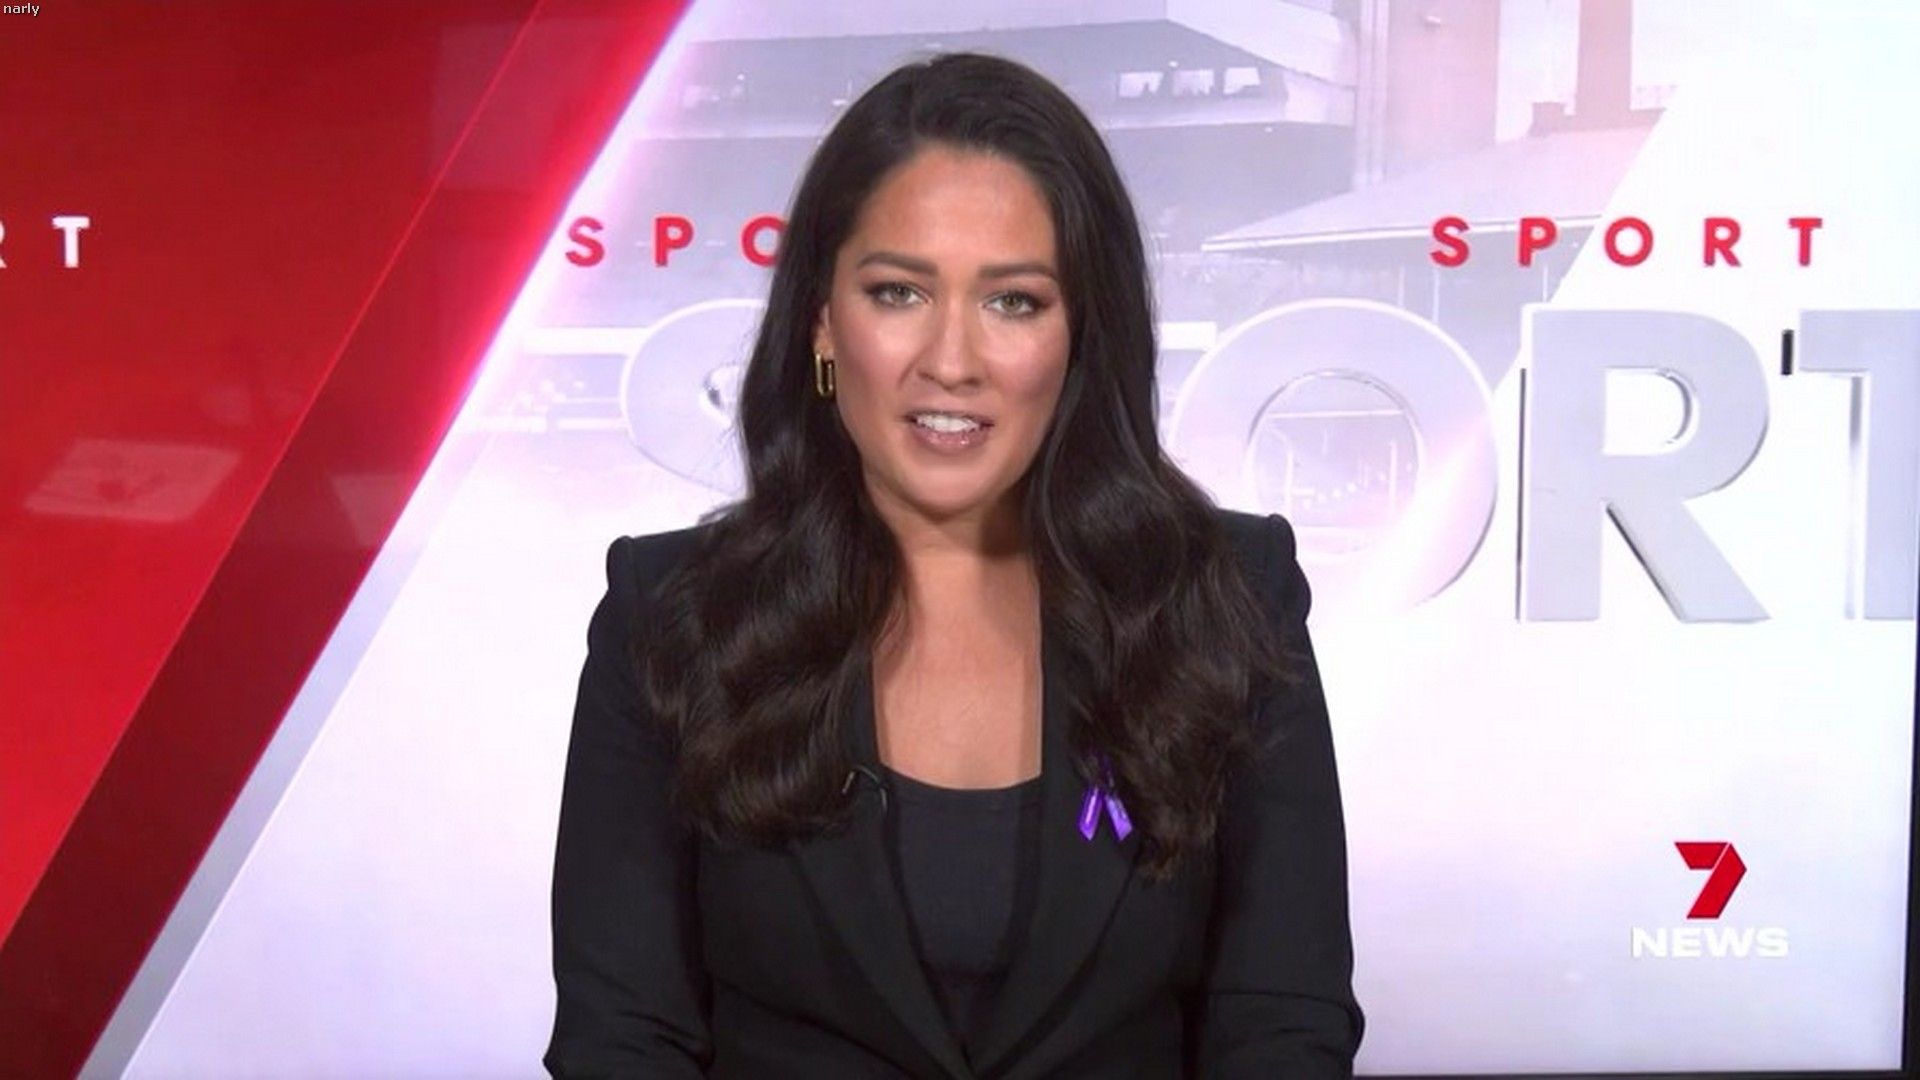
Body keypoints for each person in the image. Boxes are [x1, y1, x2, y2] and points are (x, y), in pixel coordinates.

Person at [544, 51, 1363, 1078]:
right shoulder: (669, 618)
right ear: (822, 321)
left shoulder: (1228, 599)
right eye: (898, 292)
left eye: (1013, 302)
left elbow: (1283, 1027)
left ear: (1080, 333)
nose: (951, 361)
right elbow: (623, 1041)